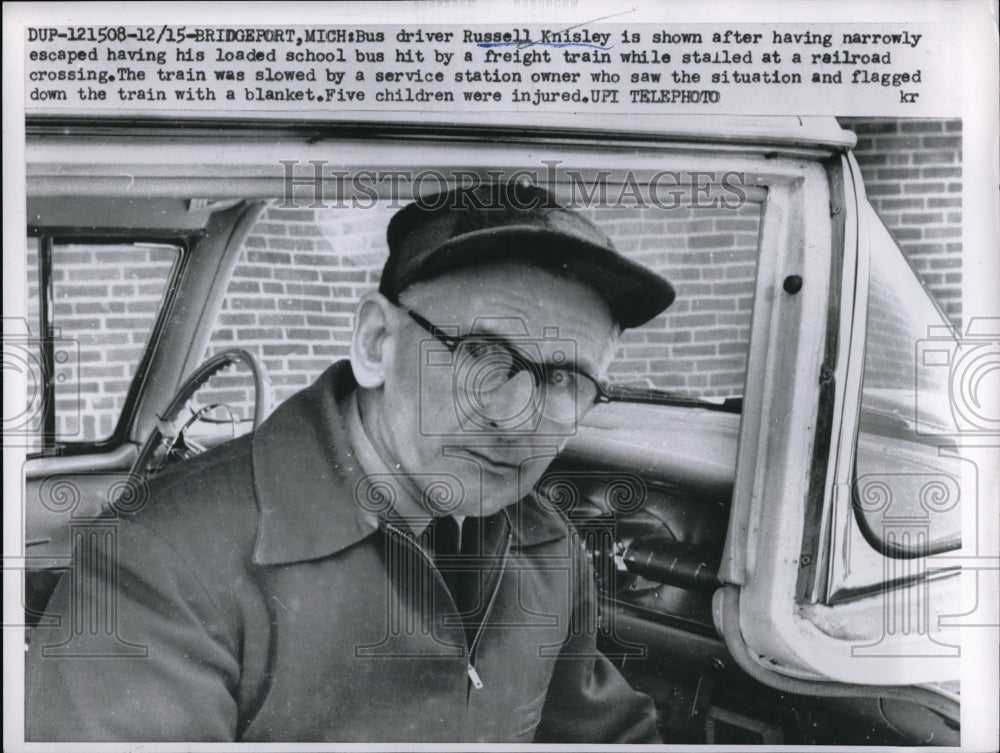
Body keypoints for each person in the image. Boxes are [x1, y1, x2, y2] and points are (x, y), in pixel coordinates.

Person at [26, 181, 676, 742]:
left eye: (564, 378)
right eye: (479, 352)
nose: (514, 414)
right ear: (374, 343)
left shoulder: (548, 547)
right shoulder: (161, 560)